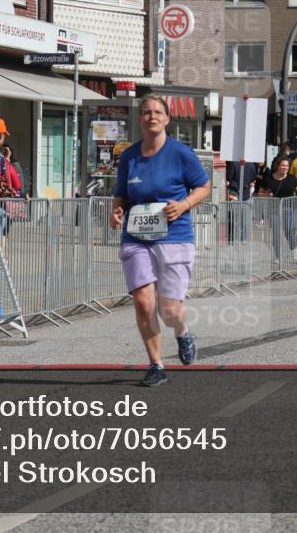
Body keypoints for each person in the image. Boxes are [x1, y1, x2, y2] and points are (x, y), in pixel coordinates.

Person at [110, 94, 211, 387]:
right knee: (143, 302)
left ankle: (182, 332)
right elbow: (122, 194)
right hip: (136, 237)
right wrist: (117, 212)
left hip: (174, 236)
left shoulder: (181, 153)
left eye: (157, 112)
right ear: (140, 119)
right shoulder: (129, 156)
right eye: (146, 112)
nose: (151, 116)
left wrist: (183, 205)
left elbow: (204, 186)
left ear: (167, 119)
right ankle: (156, 364)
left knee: (168, 310)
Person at [257, 156, 297, 260]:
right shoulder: (269, 179)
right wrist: (267, 196)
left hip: (290, 208)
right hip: (274, 209)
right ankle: (278, 257)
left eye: (286, 166)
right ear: (278, 166)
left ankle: (294, 248)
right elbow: (260, 193)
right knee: (276, 232)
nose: (284, 167)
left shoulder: (291, 178)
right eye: (282, 165)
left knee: (289, 230)